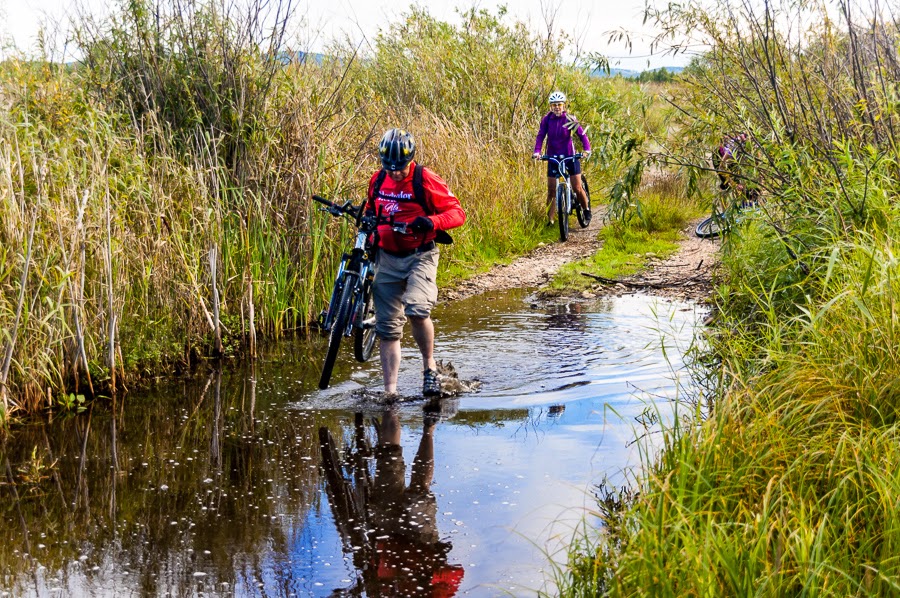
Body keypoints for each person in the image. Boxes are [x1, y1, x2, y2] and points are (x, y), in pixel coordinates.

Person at [364, 128, 466, 398]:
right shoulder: (378, 180)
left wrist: (431, 221)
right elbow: (370, 210)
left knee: (417, 310)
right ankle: (390, 393)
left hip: (420, 255)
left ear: (411, 159)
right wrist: (368, 227)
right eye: (390, 167)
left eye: (401, 167)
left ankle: (429, 367)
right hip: (386, 257)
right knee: (387, 329)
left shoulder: (424, 178)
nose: (395, 172)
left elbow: (457, 213)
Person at [533, 91, 592, 226]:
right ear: (550, 107)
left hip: (570, 156)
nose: (557, 107)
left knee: (577, 187)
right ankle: (551, 220)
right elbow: (540, 136)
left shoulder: (569, 119)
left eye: (559, 104)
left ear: (564, 105)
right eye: (554, 105)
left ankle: (586, 210)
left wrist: (586, 150)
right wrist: (537, 152)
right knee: (551, 190)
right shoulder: (547, 120)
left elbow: (582, 135)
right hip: (553, 157)